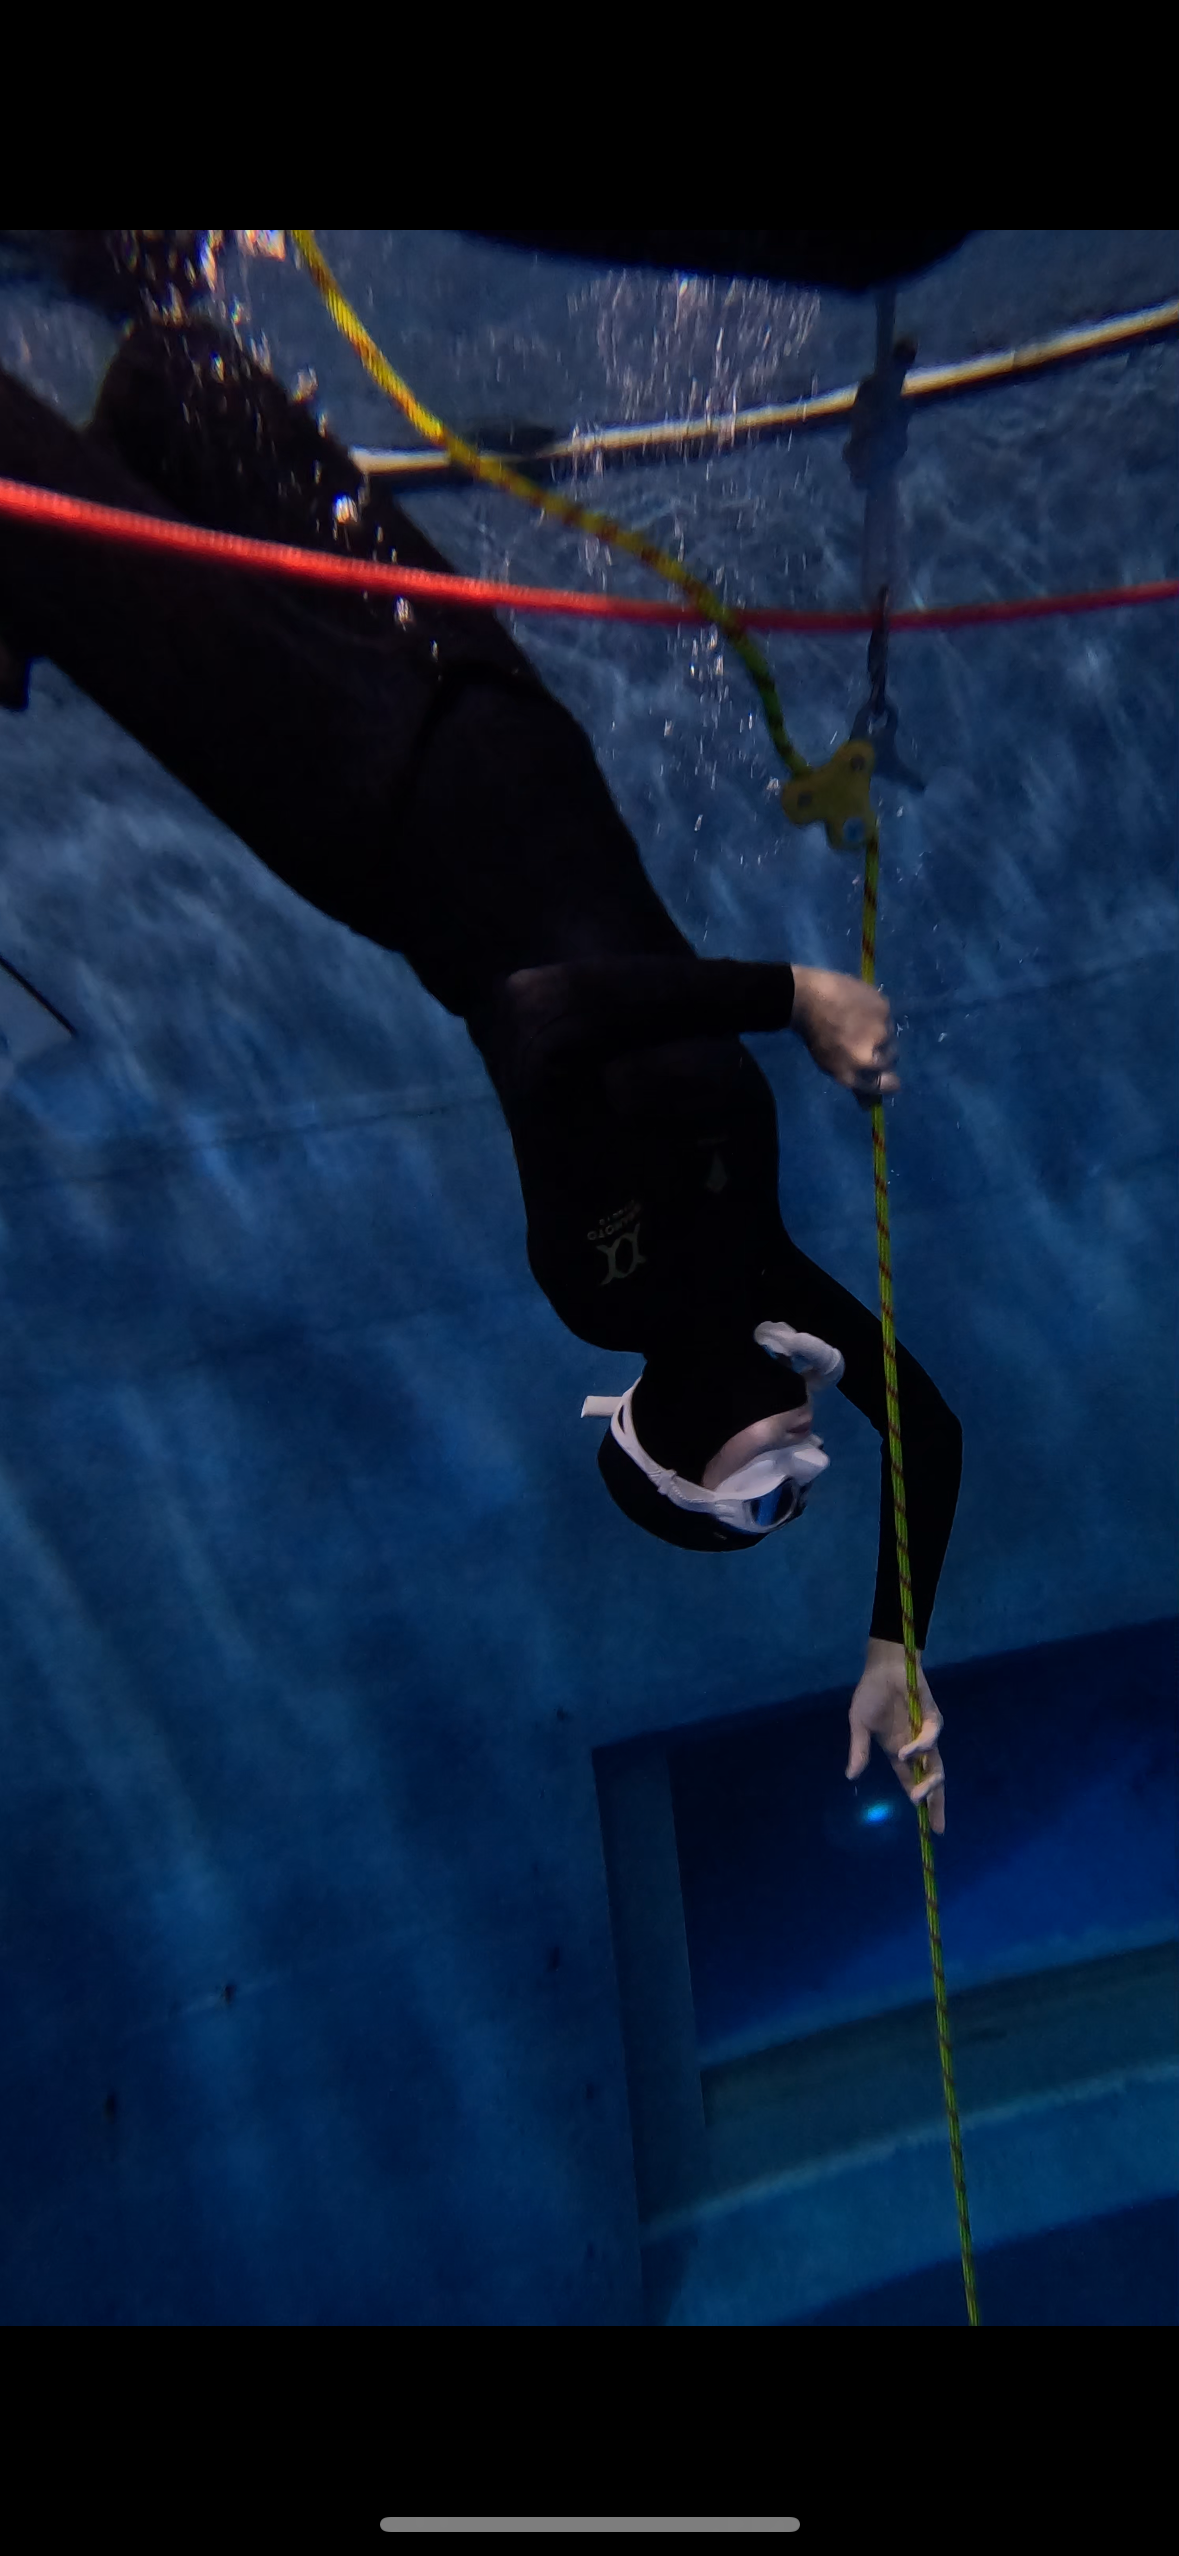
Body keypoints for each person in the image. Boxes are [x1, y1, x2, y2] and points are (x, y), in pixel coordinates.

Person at [0, 231, 961, 1826]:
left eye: (761, 1491)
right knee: (198, 392)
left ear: (682, 1441)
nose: (803, 1461)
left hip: (365, 796)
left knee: (66, 539)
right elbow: (927, 1421)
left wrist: (787, 997)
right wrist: (894, 1644)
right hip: (494, 721)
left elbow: (538, 1016)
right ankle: (123, 274)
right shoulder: (759, 1270)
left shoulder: (610, 1285)